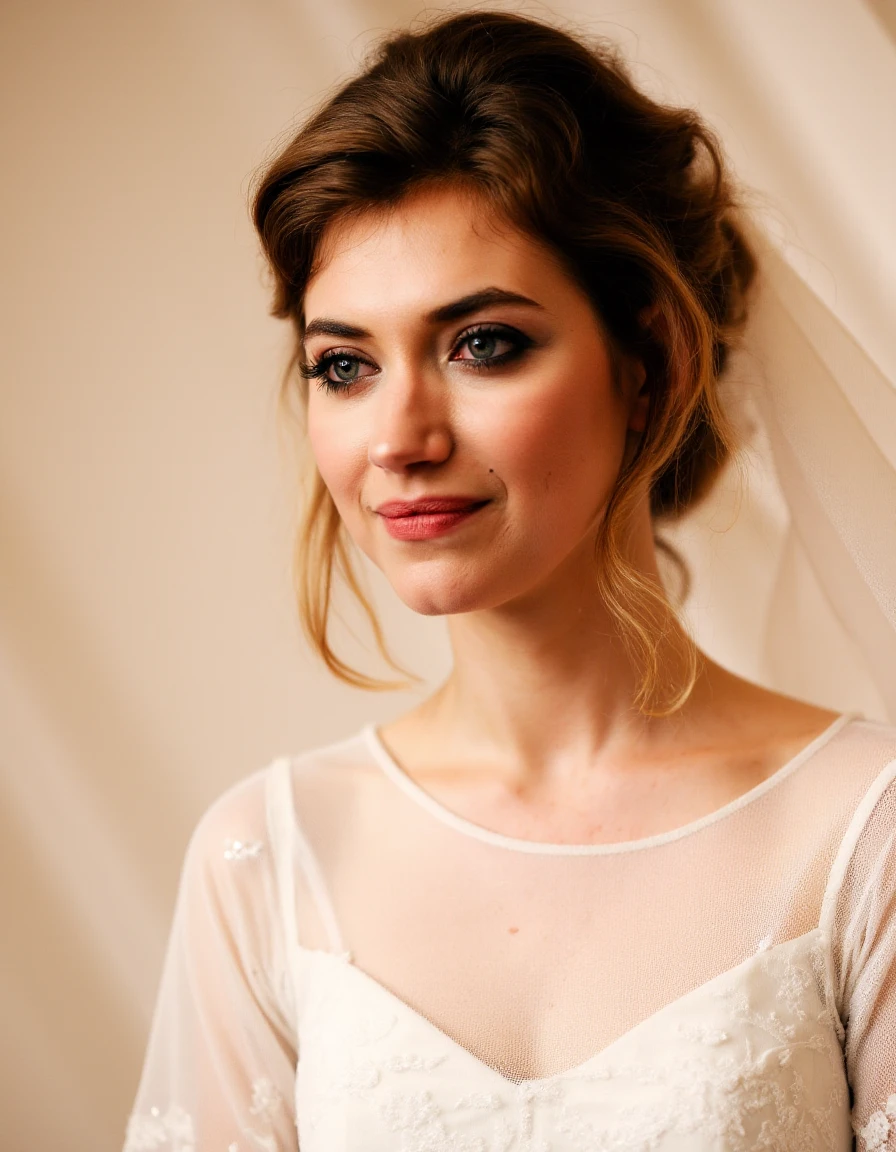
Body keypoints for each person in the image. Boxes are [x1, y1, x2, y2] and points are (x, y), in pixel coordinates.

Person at [123, 11, 896, 1151]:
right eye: (343, 365)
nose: (397, 437)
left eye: (480, 344)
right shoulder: (269, 859)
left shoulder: (861, 833)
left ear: (650, 363)